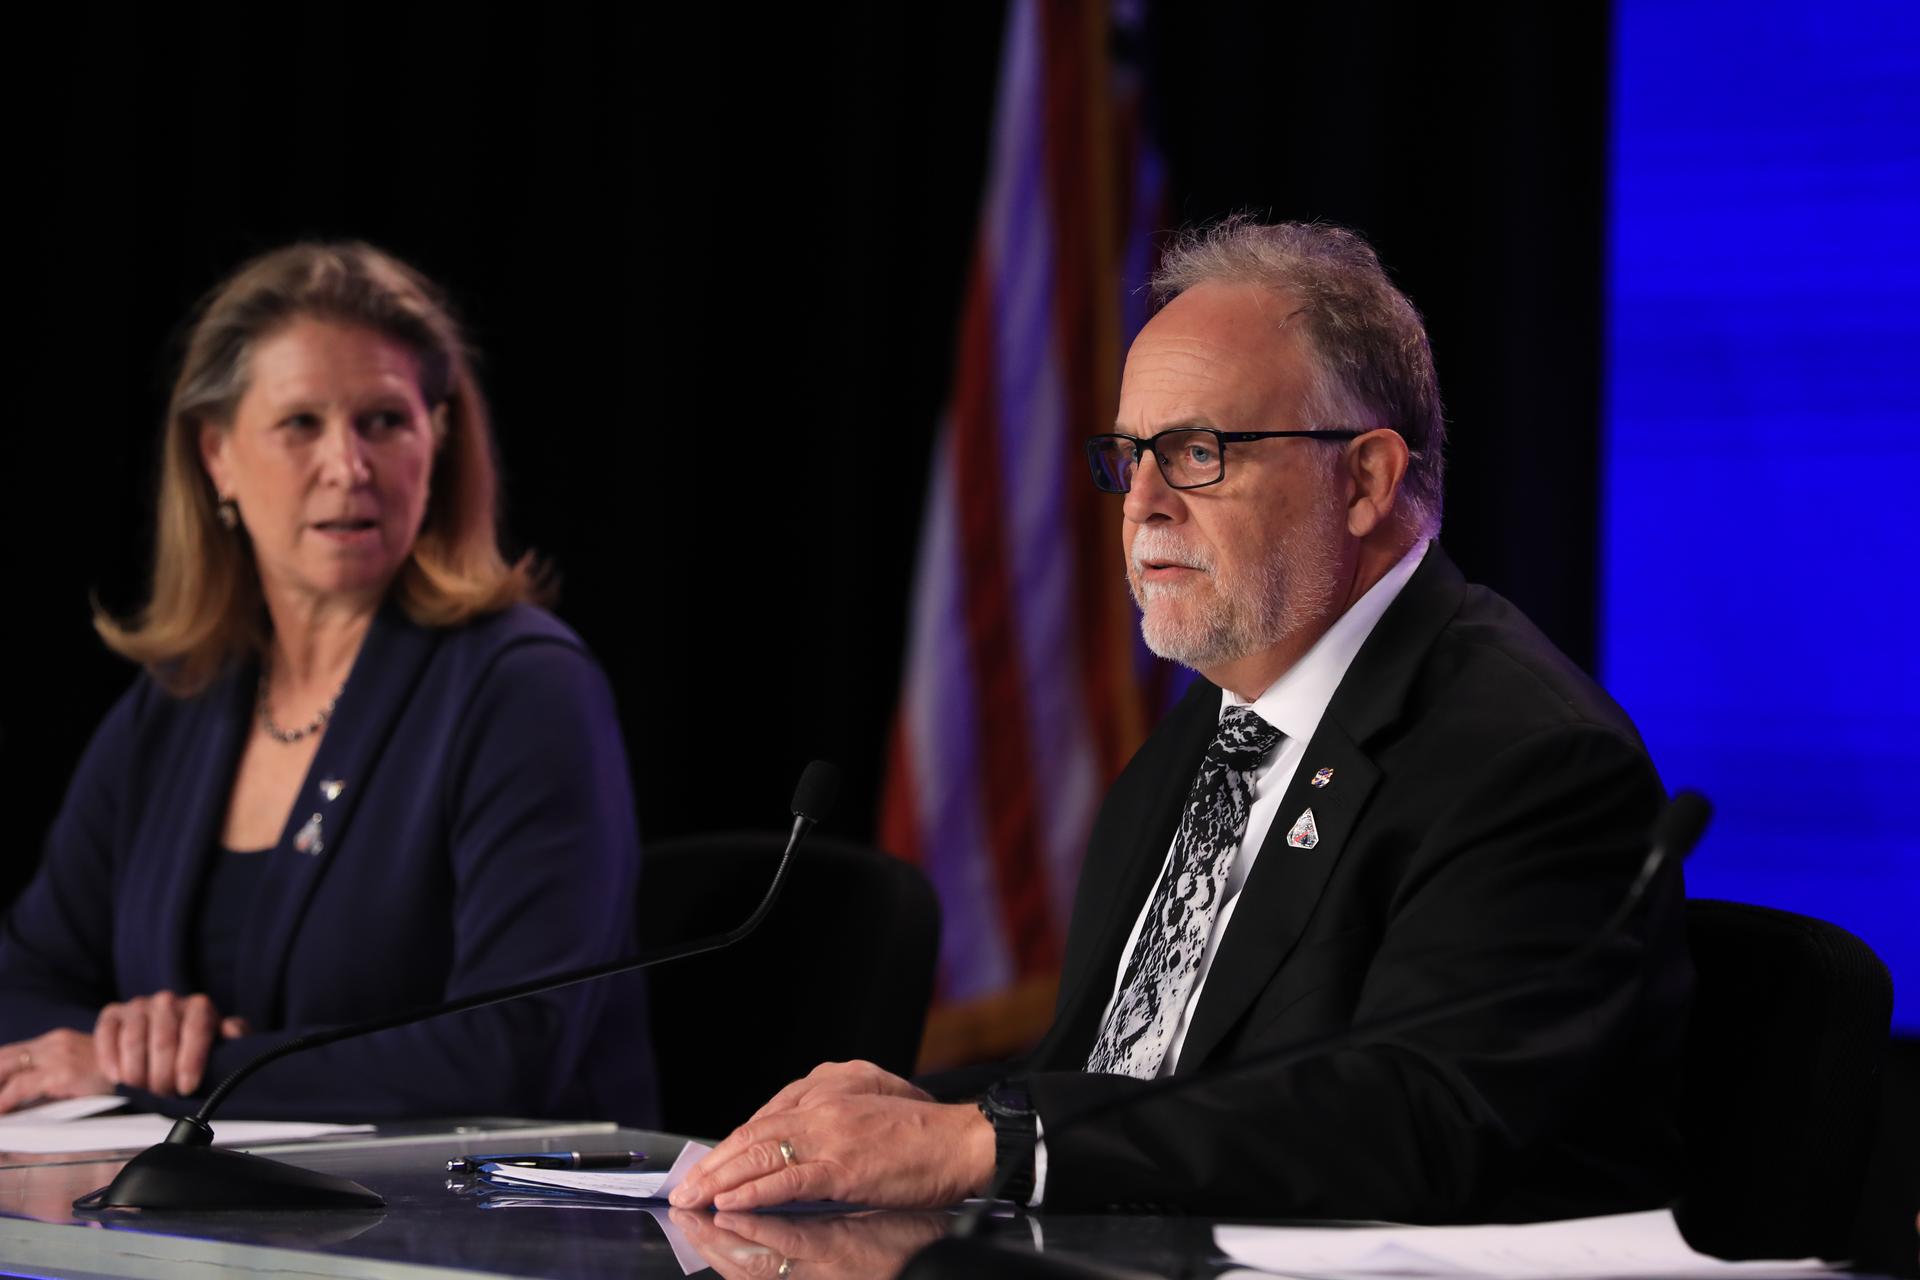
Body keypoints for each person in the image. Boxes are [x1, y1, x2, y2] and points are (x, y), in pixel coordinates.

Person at [670, 219, 1689, 1220]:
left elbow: (1418, 1116)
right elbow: (1127, 1075)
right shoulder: (1204, 735)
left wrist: (992, 1142)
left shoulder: (1530, 760)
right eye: (1129, 454)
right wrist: (928, 1113)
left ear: (1366, 480)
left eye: (1198, 451)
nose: (1142, 502)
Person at [0, 243, 656, 1124]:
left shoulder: (524, 688)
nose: (348, 465)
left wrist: (187, 1071)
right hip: (210, 1208)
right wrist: (129, 1041)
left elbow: (510, 1049)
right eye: (301, 423)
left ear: (438, 439)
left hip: (479, 1206)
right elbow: (21, 985)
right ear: (217, 455)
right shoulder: (177, 703)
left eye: (384, 421)